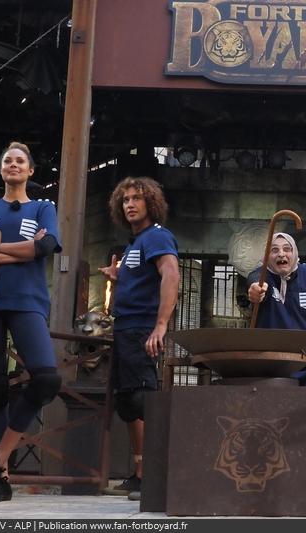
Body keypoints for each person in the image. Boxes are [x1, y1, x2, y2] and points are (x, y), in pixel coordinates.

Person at [0, 142, 63, 502]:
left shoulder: (43, 207)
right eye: (8, 160)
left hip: (28, 301)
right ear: (1, 169)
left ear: (31, 170)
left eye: (20, 160)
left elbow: (45, 247)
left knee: (47, 377)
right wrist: (21, 250)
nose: (14, 164)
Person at [99, 177, 179, 499]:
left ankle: (157, 473)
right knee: (128, 402)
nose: (130, 204)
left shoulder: (157, 236)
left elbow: (171, 274)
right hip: (124, 327)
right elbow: (145, 278)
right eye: (126, 199)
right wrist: (120, 276)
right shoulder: (135, 244)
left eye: (137, 199)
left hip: (141, 329)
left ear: (151, 204)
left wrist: (160, 326)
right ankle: (141, 471)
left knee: (142, 399)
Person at [247, 232, 306, 386]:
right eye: (274, 250)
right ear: (267, 256)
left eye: (287, 249)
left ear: (294, 252)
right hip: (272, 358)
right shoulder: (260, 275)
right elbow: (255, 285)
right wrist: (256, 291)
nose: (281, 254)